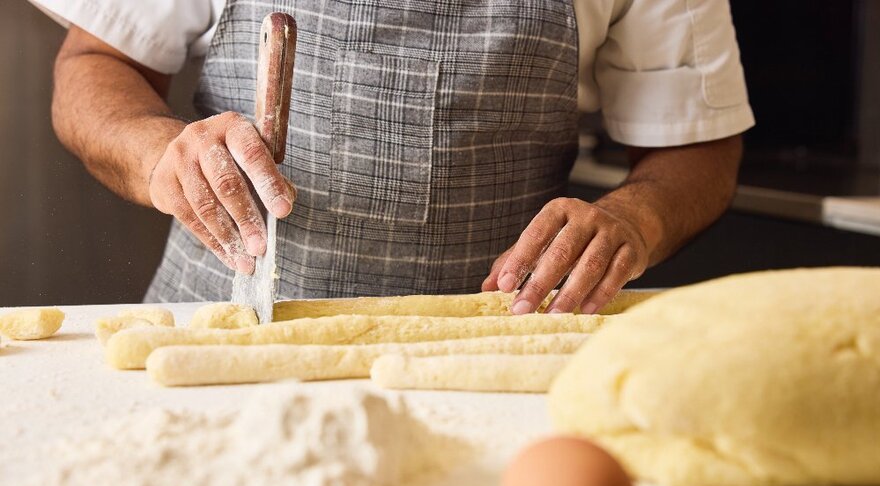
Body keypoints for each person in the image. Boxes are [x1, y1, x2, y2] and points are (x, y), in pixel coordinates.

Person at [33, 0, 753, 314]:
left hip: (486, 349)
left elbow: (698, 146)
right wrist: (160, 153)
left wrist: (634, 219)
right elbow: (96, 64)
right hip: (224, 328)